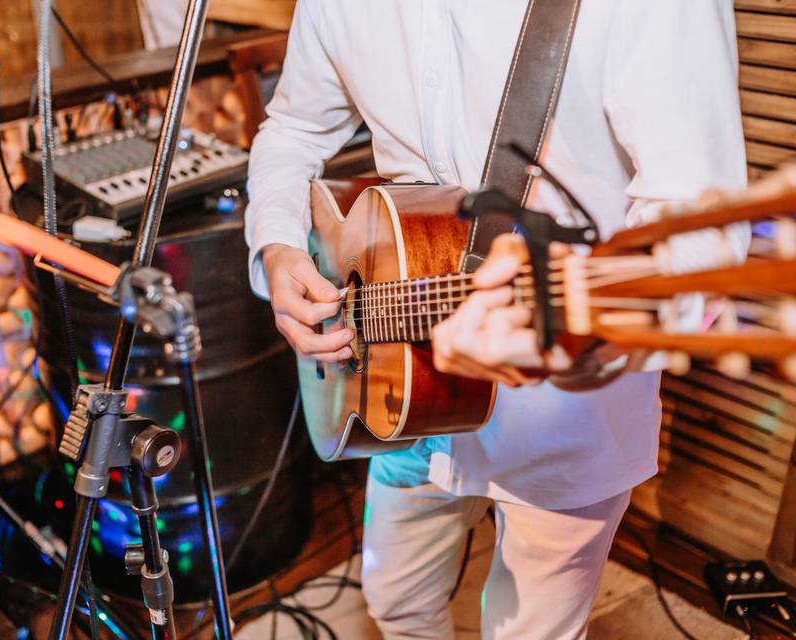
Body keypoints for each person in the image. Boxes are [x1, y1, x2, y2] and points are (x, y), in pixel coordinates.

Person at [244, 1, 750, 637]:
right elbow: (292, 128)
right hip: (397, 388)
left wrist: (586, 337)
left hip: (563, 413)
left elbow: (699, 218)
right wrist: (279, 243)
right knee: (395, 599)